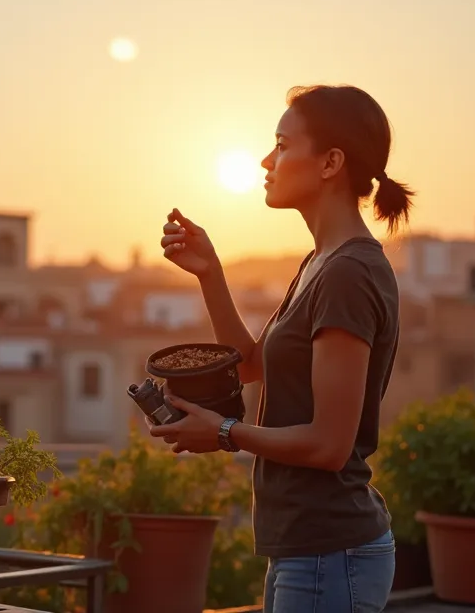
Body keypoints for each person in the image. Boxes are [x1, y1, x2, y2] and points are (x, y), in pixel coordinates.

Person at [148, 84, 413, 613]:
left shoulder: (348, 274)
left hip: (329, 550)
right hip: (306, 547)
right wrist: (211, 275)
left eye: (282, 144)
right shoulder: (319, 264)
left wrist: (223, 433)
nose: (266, 159)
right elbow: (249, 366)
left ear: (330, 162)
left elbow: (329, 445)